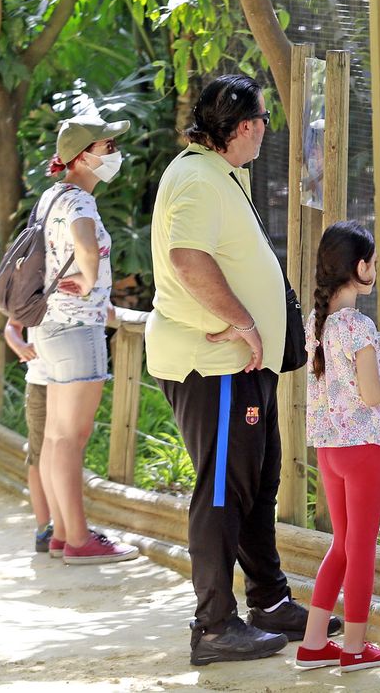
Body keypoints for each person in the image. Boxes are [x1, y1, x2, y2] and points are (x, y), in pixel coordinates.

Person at [147, 74, 337, 666]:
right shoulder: (200, 179)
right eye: (260, 126)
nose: (262, 137)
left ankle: (270, 601)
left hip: (240, 365)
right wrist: (243, 323)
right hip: (217, 364)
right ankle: (213, 625)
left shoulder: (217, 174)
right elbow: (186, 258)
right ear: (248, 126)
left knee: (256, 482)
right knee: (225, 492)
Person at [293, 221, 380, 674]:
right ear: (360, 267)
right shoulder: (358, 324)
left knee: (342, 545)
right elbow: (372, 395)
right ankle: (353, 648)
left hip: (330, 450)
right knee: (362, 549)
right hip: (364, 449)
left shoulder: (319, 321)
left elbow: (350, 382)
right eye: (373, 262)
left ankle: (314, 644)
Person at [30, 112, 138, 566]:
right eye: (106, 147)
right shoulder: (79, 203)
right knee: (72, 439)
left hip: (51, 326)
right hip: (78, 327)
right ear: (81, 157)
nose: (113, 153)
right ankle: (77, 538)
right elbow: (86, 245)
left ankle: (61, 533)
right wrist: (93, 281)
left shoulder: (50, 197)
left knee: (57, 437)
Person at [3, 320, 54, 554]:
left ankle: (65, 523)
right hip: (40, 383)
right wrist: (20, 346)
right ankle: (44, 527)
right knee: (38, 455)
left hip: (74, 380)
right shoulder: (32, 285)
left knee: (67, 453)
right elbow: (12, 325)